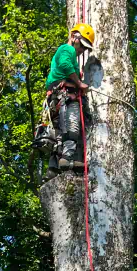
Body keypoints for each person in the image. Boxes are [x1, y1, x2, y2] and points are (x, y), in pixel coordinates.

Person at [42, 24, 95, 176]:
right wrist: (79, 83)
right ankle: (67, 158)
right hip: (64, 95)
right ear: (74, 37)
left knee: (59, 131)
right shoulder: (67, 49)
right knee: (72, 124)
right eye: (82, 45)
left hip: (55, 98)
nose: (81, 50)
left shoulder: (71, 55)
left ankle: (53, 167)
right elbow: (64, 64)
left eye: (85, 48)